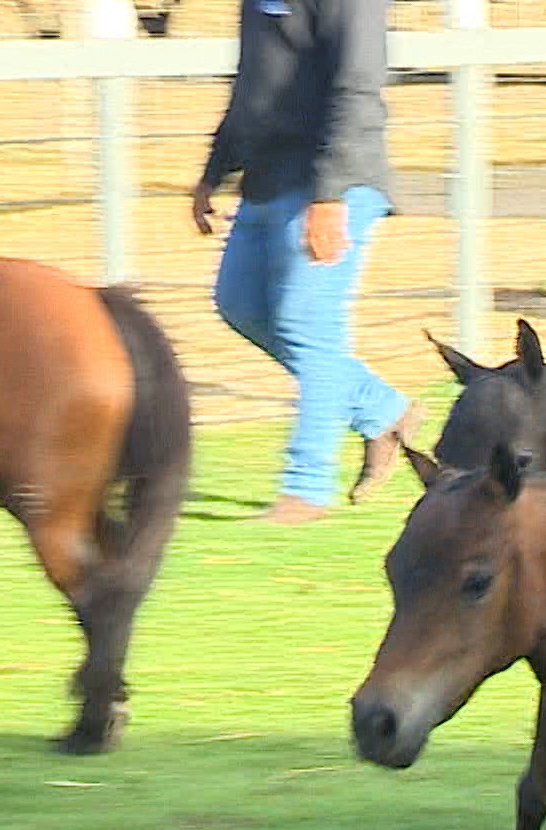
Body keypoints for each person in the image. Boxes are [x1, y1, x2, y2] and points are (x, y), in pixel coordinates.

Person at [193, 0, 422, 524]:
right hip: (268, 176)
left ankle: (306, 488)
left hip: (336, 180)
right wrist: (213, 172)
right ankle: (384, 411)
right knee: (240, 303)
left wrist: (331, 196)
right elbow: (252, 88)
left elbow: (358, 87)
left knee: (307, 321)